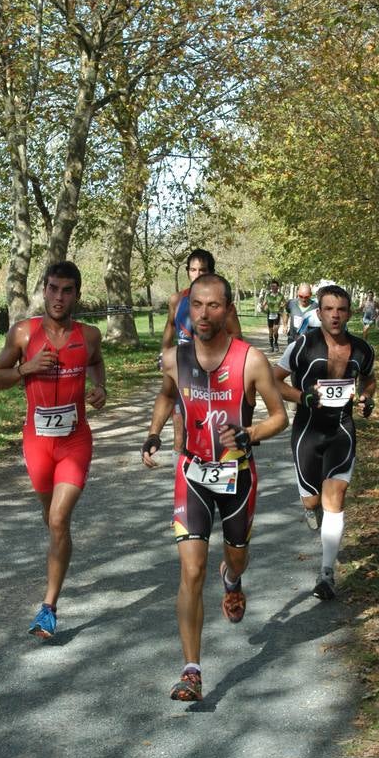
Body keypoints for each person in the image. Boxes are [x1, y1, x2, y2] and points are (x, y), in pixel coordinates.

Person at [142, 273, 288, 702]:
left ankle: (233, 579)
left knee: (236, 558)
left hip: (237, 477)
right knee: (190, 569)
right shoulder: (174, 358)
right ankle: (191, 670)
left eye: (213, 306)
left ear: (227, 310)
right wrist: (153, 433)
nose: (204, 315)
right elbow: (168, 396)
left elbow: (280, 416)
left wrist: (251, 433)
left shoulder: (251, 360)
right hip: (192, 474)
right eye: (197, 306)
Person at [0, 261, 107, 639]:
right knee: (52, 520)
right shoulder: (24, 333)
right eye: (53, 289)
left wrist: (99, 388)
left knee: (58, 519)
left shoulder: (88, 336)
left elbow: (97, 362)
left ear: (77, 294)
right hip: (37, 442)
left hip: (75, 440)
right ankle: (61, 546)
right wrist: (27, 368)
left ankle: (48, 608)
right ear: (44, 290)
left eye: (67, 290)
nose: (59, 297)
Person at [272, 284, 376, 601]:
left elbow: (369, 379)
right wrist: (302, 397)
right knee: (312, 502)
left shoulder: (362, 350)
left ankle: (326, 574)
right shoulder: (303, 345)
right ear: (320, 312)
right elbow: (274, 381)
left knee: (336, 498)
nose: (335, 315)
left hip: (342, 429)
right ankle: (312, 509)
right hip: (308, 429)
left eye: (341, 309)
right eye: (329, 309)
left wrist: (367, 398)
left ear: (349, 313)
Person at [160, 249, 242, 455]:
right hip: (185, 371)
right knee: (179, 429)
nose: (197, 274)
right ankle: (181, 473)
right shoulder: (177, 300)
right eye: (193, 270)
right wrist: (165, 352)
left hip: (213, 373)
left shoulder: (219, 305)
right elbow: (170, 326)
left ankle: (215, 469)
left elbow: (237, 335)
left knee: (212, 430)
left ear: (211, 272)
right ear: (187, 272)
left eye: (202, 270)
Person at [261, 279, 286, 353]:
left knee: (275, 331)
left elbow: (285, 302)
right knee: (270, 331)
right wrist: (263, 308)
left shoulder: (280, 295)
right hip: (270, 314)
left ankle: (276, 343)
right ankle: (271, 346)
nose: (273, 287)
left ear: (277, 287)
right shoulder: (268, 295)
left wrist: (281, 307)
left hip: (277, 314)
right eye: (272, 286)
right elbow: (264, 304)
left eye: (274, 286)